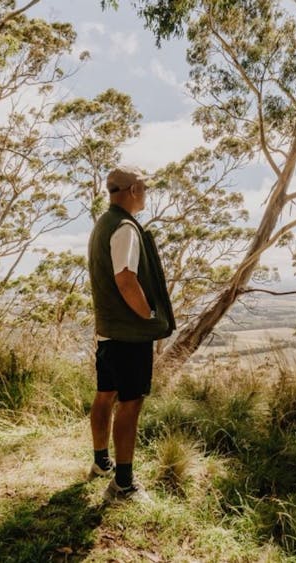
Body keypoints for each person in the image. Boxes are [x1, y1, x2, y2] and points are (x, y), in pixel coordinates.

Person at [87, 168, 174, 503]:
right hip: (128, 335)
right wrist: (148, 317)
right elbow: (125, 278)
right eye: (145, 188)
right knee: (130, 403)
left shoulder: (102, 224)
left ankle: (100, 463)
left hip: (108, 332)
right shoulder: (125, 228)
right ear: (134, 189)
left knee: (105, 394)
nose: (147, 193)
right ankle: (123, 485)